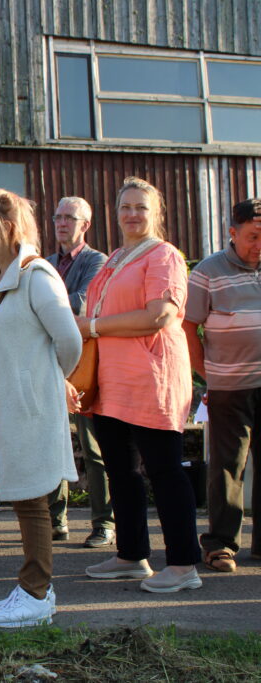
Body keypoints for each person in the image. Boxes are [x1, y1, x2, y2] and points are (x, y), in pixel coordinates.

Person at [77, 176, 201, 593]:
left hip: (150, 378)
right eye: (125, 207)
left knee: (164, 470)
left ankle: (183, 565)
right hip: (111, 383)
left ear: (156, 213)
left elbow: (159, 316)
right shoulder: (115, 257)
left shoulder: (164, 255)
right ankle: (131, 555)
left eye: (141, 207)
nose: (132, 214)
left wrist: (93, 326)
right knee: (121, 471)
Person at [0, 189, 83, 628]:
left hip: (29, 407)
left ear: (7, 226)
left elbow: (69, 341)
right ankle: (34, 588)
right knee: (23, 497)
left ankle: (37, 593)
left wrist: (44, 384)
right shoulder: (1, 280)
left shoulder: (37, 276)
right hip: (7, 409)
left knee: (33, 498)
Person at [183, 198, 261, 573]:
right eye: (253, 236)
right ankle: (221, 545)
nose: (259, 245)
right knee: (228, 466)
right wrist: (208, 374)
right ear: (233, 232)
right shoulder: (208, 271)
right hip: (229, 386)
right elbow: (187, 327)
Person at [45, 197, 113, 547]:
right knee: (52, 444)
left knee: (93, 448)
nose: (61, 223)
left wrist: (43, 305)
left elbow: (84, 302)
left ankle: (104, 523)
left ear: (85, 225)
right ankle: (55, 520)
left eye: (69, 218)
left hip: (86, 364)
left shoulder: (96, 261)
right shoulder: (45, 263)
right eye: (58, 217)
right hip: (50, 363)